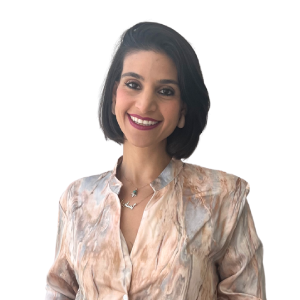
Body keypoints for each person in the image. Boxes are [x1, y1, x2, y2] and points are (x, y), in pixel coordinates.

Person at [45, 22, 266, 300]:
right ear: (115, 96)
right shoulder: (78, 200)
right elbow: (60, 292)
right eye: (133, 85)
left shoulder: (221, 199)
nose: (145, 104)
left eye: (165, 91)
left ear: (183, 109)